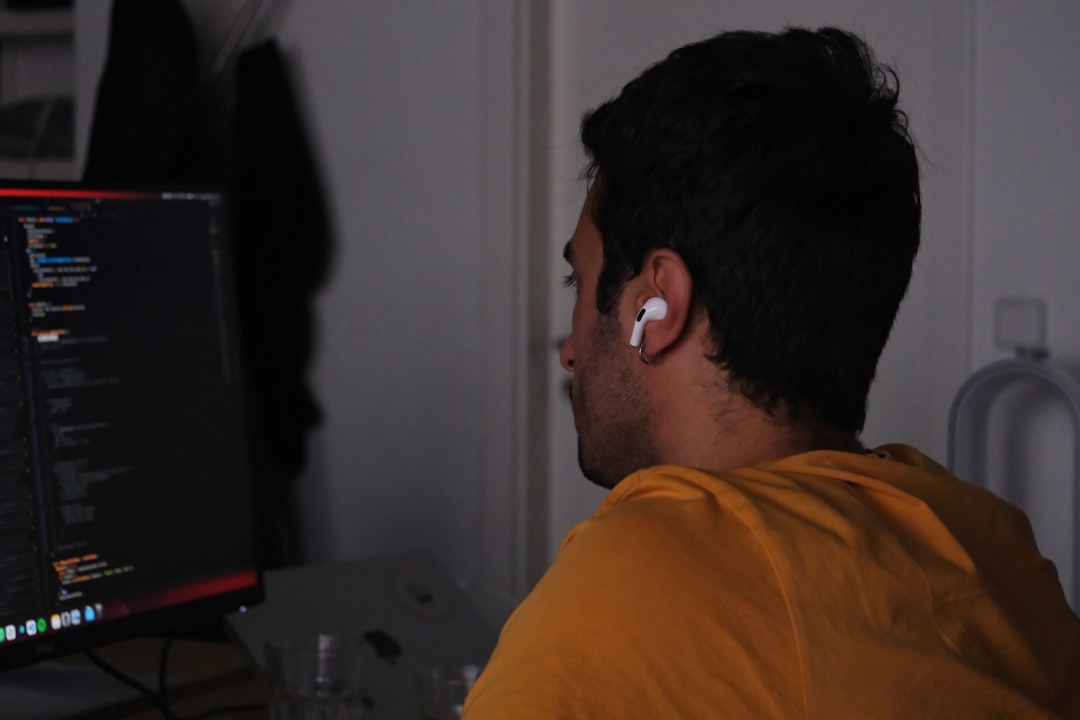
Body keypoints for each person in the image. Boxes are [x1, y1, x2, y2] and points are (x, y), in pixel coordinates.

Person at [461, 26, 1080, 718]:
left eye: (578, 282)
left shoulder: (636, 589)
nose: (571, 351)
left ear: (656, 305)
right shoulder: (995, 552)